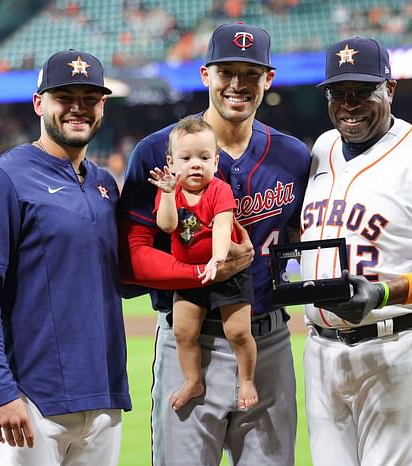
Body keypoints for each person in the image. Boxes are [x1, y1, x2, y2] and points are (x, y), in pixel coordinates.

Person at [118, 23, 311, 465]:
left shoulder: (294, 156)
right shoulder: (157, 152)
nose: (237, 84)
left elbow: (304, 240)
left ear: (269, 79)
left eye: (250, 72)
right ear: (206, 75)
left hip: (268, 341)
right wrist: (200, 272)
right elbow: (129, 258)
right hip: (189, 339)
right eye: (226, 71)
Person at [299, 37, 412, 466]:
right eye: (338, 93)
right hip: (320, 350)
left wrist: (385, 292)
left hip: (396, 345)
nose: (349, 105)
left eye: (363, 92)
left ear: (390, 89)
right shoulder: (321, 149)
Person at [0, 50, 131, 466]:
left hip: (103, 398)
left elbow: (123, 278)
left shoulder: (105, 184)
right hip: (30, 403)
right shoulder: (2, 179)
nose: (77, 108)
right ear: (39, 103)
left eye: (89, 98)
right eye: (64, 96)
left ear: (102, 106)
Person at [149, 116, 258, 411]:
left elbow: (223, 226)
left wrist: (218, 259)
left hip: (226, 272)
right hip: (190, 277)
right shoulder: (169, 191)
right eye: (186, 158)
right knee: (183, 332)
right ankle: (192, 380)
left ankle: (246, 380)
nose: (195, 164)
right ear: (171, 163)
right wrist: (169, 194)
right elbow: (167, 226)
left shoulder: (219, 190)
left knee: (237, 332)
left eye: (204, 157)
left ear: (216, 160)